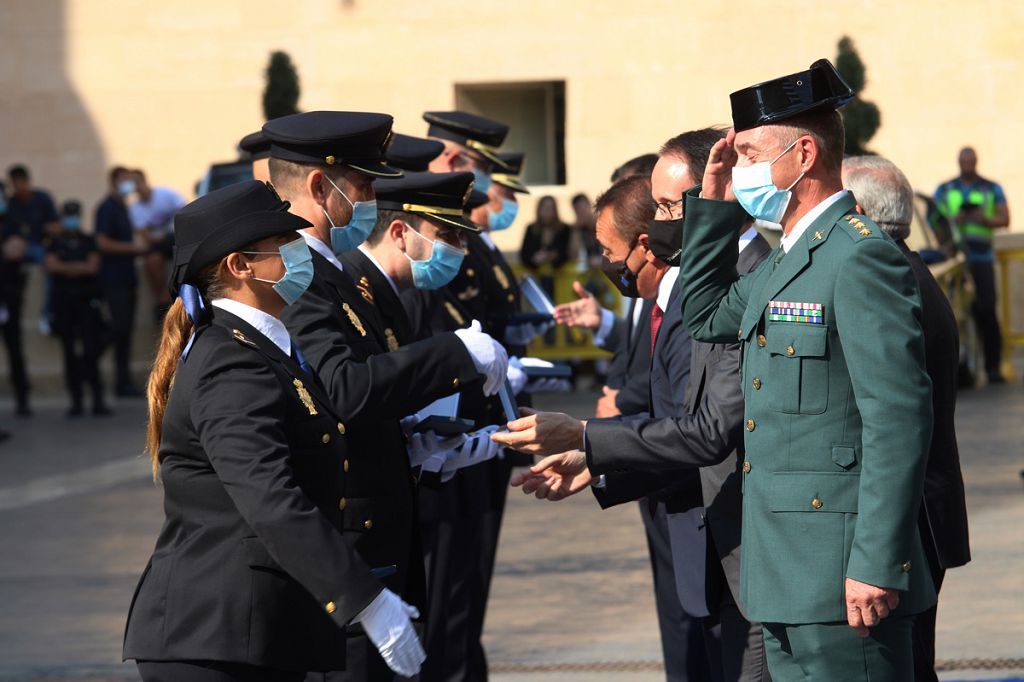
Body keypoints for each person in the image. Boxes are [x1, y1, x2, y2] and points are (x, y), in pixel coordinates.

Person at [675, 59, 933, 680]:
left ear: (804, 153)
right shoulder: (786, 255)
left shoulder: (859, 257)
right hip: (785, 571)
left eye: (750, 155)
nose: (739, 172)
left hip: (845, 575)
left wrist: (875, 560)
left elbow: (897, 421)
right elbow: (706, 315)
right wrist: (711, 207)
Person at [498, 129, 774, 682]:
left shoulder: (750, 278)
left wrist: (586, 439)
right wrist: (594, 463)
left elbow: (706, 430)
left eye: (671, 206)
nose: (661, 221)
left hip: (753, 550)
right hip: (720, 542)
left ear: (716, 191)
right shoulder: (712, 282)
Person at [124, 180, 426, 680]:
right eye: (283, 244)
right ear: (239, 267)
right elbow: (270, 496)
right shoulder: (231, 361)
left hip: (255, 631)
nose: (298, 252)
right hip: (216, 636)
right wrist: (363, 599)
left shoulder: (261, 349)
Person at [262, 110, 507, 681]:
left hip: (382, 532)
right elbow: (343, 388)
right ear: (321, 187)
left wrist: (413, 442)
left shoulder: (337, 275)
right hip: (349, 542)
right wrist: (453, 353)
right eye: (366, 185)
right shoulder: (298, 273)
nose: (377, 198)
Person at [843, 155, 971, 682]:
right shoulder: (904, 270)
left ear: (856, 212)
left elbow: (895, 420)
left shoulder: (890, 283)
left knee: (903, 667)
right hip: (916, 512)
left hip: (910, 517)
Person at [934, 147, 1010, 384]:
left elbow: (1005, 218)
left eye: (971, 159)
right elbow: (933, 219)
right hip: (954, 261)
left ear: (976, 161)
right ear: (958, 161)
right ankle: (961, 371)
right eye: (963, 159)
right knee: (957, 315)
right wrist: (950, 222)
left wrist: (984, 220)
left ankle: (993, 367)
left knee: (987, 310)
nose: (967, 163)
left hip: (982, 258)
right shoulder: (945, 189)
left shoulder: (991, 188)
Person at [45, 200, 111, 417]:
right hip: (64, 305)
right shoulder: (55, 242)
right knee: (69, 354)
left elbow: (92, 267)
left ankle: (98, 401)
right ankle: (76, 402)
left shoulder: (88, 240)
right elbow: (51, 265)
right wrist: (78, 268)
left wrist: (66, 269)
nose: (71, 219)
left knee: (91, 351)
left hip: (86, 304)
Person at [95, 165, 146, 397]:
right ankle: (89, 360)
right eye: (125, 180)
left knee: (125, 332)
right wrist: (133, 248)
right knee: (119, 328)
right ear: (114, 181)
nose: (129, 185)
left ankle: (122, 382)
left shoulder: (124, 208)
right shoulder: (107, 208)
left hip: (127, 277)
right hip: (114, 278)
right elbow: (103, 242)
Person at [129, 169, 186, 322]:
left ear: (143, 180)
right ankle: (162, 300)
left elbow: (184, 213)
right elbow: (145, 235)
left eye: (136, 181)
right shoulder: (134, 208)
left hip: (179, 237)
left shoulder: (166, 194)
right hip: (159, 244)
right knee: (152, 261)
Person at [0, 176, 34, 416]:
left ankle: (23, 399)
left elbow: (16, 251)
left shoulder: (12, 222)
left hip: (9, 296)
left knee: (15, 350)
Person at [519, 196, 570, 269]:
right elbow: (524, 255)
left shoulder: (564, 229)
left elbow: (567, 253)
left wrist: (553, 256)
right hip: (536, 274)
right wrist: (534, 258)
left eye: (551, 208)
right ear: (539, 210)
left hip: (559, 274)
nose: (548, 212)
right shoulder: (531, 229)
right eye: (545, 208)